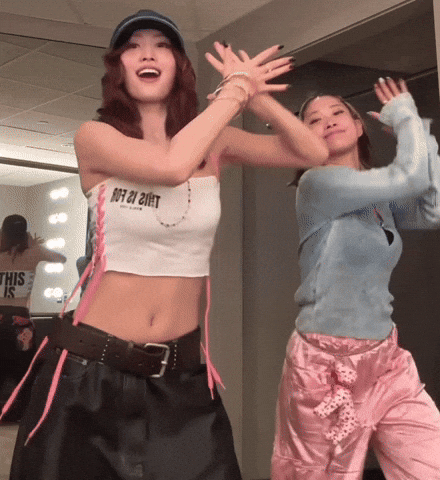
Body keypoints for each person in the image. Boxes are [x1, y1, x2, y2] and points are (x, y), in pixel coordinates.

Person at [1, 9, 329, 480]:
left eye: (162, 46)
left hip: (181, 377)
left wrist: (258, 100)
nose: (147, 54)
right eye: (133, 46)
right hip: (90, 370)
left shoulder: (214, 141)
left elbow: (312, 152)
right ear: (118, 67)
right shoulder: (95, 137)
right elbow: (172, 166)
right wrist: (235, 92)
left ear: (179, 66)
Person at [271, 78, 440, 479]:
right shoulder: (316, 184)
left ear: (359, 126)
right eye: (313, 120)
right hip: (325, 368)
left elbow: (439, 210)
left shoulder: (378, 199)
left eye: (337, 112)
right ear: (301, 140)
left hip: (385, 362)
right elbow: (409, 179)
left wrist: (418, 132)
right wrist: (407, 121)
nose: (328, 121)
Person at [0, 214, 66, 419]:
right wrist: (34, 244)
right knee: (23, 369)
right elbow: (61, 258)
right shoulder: (34, 252)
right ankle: (19, 412)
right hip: (21, 321)